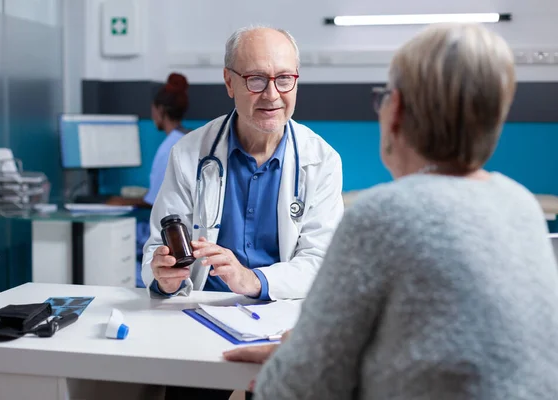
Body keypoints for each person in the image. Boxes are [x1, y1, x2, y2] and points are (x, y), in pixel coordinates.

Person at [224, 23, 558, 399]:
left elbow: (299, 388)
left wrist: (294, 360)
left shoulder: (383, 215)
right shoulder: (521, 206)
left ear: (394, 109)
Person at [141, 25, 344, 400]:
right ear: (229, 82)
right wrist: (164, 277)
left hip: (281, 319)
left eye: (284, 79)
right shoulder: (189, 153)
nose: (272, 95)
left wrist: (252, 279)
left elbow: (320, 263)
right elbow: (158, 246)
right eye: (255, 79)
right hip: (199, 315)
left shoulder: (322, 161)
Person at [108, 72, 190, 288]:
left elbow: (154, 201)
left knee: (112, 245)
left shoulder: (170, 148)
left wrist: (119, 201)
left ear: (160, 111)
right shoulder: (187, 139)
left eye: (153, 111)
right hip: (185, 229)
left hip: (172, 231)